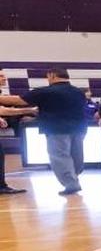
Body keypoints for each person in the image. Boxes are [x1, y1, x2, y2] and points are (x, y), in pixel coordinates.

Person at [0, 67, 89, 195]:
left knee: (59, 156)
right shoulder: (78, 92)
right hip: (79, 128)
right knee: (77, 154)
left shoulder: (46, 92)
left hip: (56, 128)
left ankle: (71, 183)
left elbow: (18, 100)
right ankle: (74, 176)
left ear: (52, 76)